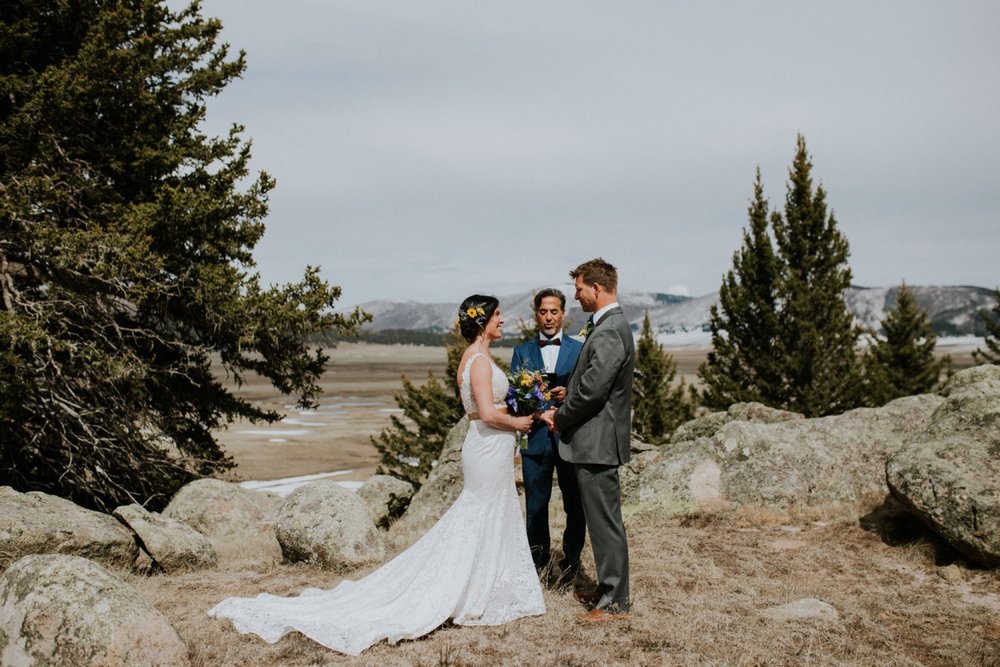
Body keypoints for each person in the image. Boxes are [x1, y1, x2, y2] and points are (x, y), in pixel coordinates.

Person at [208, 295, 545, 655]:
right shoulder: (478, 362)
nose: (503, 320)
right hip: (485, 445)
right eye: (497, 315)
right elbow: (485, 413)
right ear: (481, 322)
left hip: (490, 447)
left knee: (491, 512)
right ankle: (467, 589)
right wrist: (519, 421)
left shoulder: (479, 357)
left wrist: (523, 405)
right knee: (480, 512)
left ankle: (486, 585)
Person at [540, 258, 634, 622]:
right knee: (601, 521)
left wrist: (560, 418)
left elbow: (594, 392)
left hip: (596, 444)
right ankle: (609, 590)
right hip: (594, 441)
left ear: (596, 288)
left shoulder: (610, 330)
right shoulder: (609, 326)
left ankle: (613, 603)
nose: (576, 296)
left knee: (605, 523)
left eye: (579, 289)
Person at [510, 288, 585, 586]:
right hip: (535, 438)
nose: (549, 317)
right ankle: (538, 567)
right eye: (543, 312)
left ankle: (571, 564)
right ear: (537, 314)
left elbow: (587, 390)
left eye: (554, 311)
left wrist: (569, 394)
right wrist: (540, 409)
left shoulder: (579, 349)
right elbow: (514, 398)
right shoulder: (522, 351)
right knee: (536, 507)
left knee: (575, 506)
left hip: (570, 438)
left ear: (563, 314)